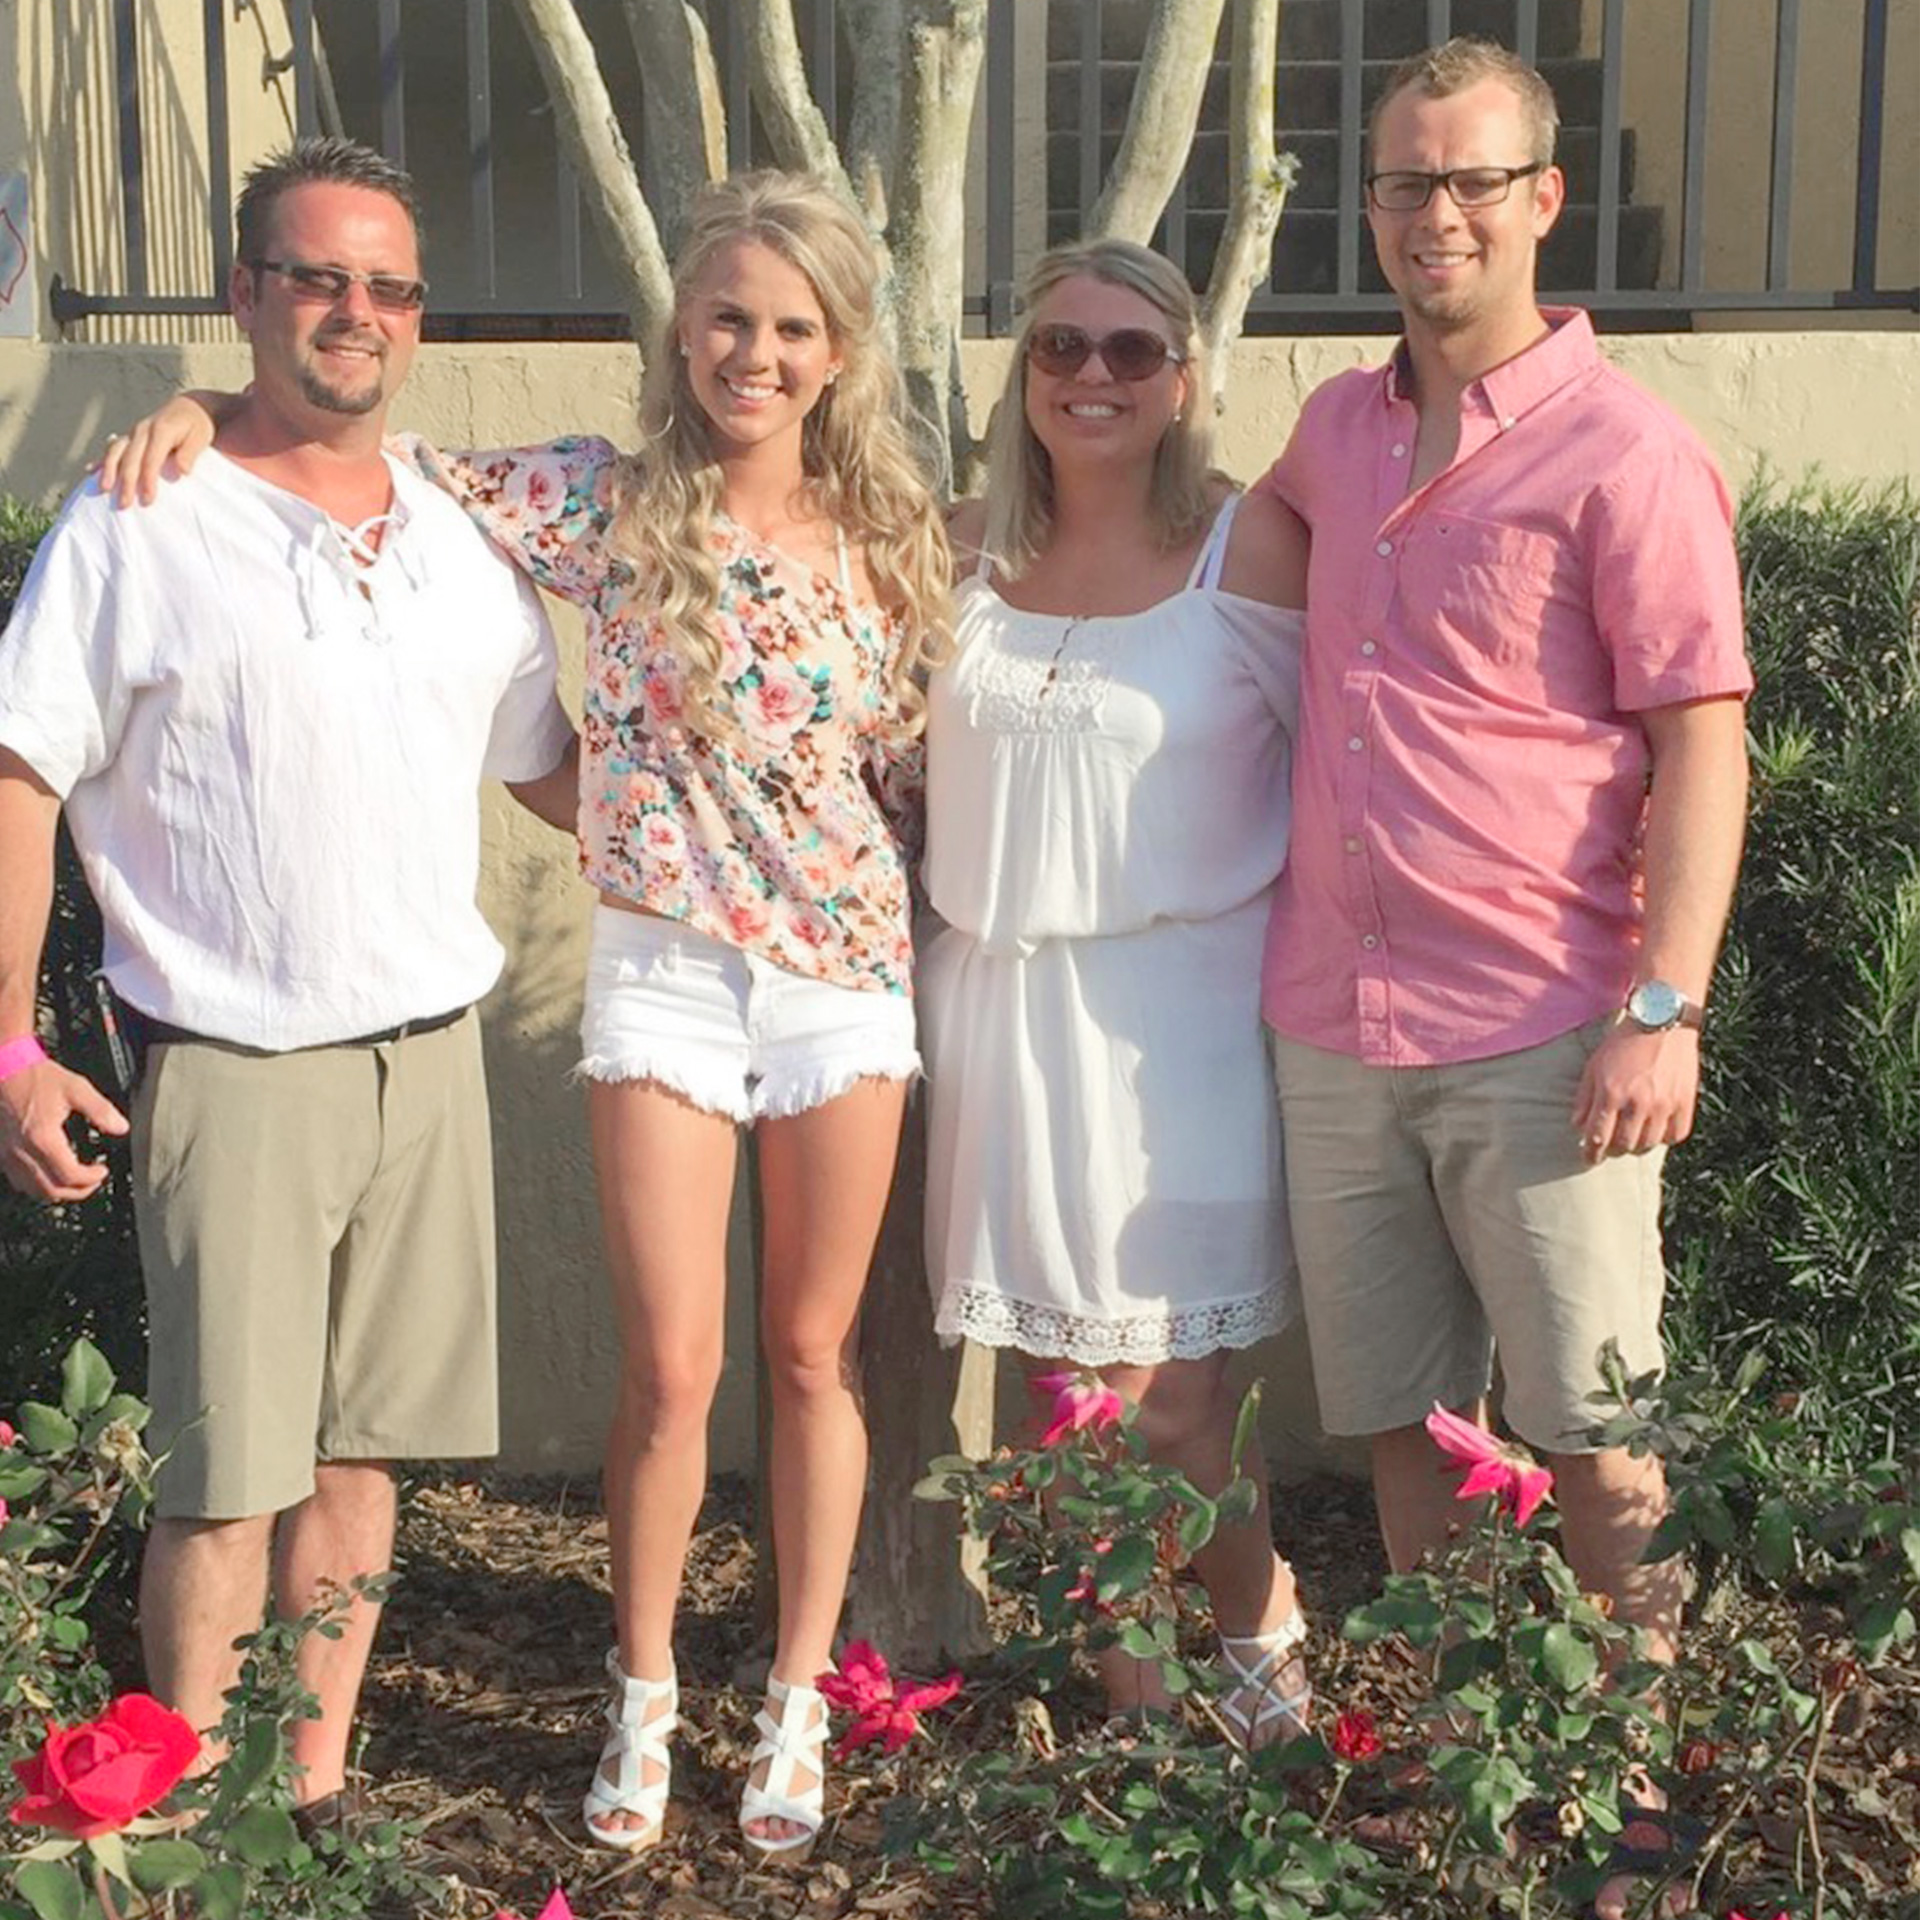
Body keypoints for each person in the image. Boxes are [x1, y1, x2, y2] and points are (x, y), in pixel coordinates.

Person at [102, 168, 951, 1861]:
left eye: (792, 328)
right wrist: (197, 400)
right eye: (725, 317)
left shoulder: (906, 541)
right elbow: (352, 446)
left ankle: (792, 1701)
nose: (754, 353)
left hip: (844, 980)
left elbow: (921, 781)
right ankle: (638, 1697)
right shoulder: (593, 503)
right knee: (669, 1369)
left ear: (842, 349)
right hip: (663, 977)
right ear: (678, 329)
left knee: (809, 1354)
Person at [0, 137, 578, 1826]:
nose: (358, 312)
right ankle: (178, 1827)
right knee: (219, 1487)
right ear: (246, 294)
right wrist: (10, 1055)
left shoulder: (461, 537)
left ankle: (307, 1799)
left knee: (359, 1465)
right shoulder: (138, 525)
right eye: (319, 276)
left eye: (391, 286)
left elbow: (547, 772)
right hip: (237, 1074)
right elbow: (21, 782)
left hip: (428, 1063)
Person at [1255, 38, 1750, 1913]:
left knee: (1599, 1436)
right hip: (1335, 1022)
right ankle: (1492, 1772)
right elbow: (1245, 576)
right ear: (1368, 204)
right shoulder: (1334, 431)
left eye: (1470, 181)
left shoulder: (1628, 452)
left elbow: (1703, 737)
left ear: (1544, 198)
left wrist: (1664, 1001)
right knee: (1404, 1426)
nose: (1433, 215)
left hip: (1548, 1030)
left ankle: (1649, 1800)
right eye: (1402, 183)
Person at [923, 238, 1314, 1743]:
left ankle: (1253, 1618)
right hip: (1003, 1010)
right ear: (1023, 377)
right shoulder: (956, 550)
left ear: (1186, 378)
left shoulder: (1253, 550)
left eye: (1133, 351)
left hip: (1183, 1018)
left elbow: (1342, 755)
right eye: (1062, 349)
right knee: (1056, 1397)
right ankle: (1139, 1717)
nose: (1095, 376)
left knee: (1175, 1399)